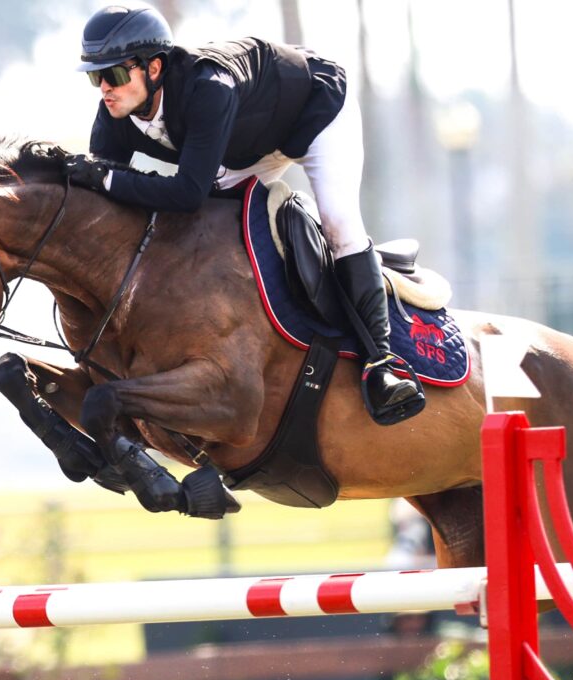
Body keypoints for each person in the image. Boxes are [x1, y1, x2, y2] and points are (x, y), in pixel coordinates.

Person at [65, 4, 427, 426]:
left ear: (155, 67)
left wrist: (105, 180)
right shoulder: (115, 114)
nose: (105, 88)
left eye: (116, 75)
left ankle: (382, 363)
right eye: (96, 76)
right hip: (247, 145)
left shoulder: (207, 88)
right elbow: (110, 205)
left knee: (339, 224)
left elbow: (185, 192)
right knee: (212, 231)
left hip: (315, 110)